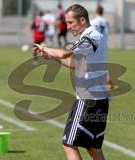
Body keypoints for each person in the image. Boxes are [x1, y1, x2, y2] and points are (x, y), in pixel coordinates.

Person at [34, 4, 109, 160]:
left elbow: (65, 53)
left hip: (87, 100)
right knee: (93, 147)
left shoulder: (90, 36)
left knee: (69, 144)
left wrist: (46, 49)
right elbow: (75, 63)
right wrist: (53, 56)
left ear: (82, 20)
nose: (68, 27)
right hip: (99, 100)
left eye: (70, 23)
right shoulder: (94, 37)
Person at [91, 5, 113, 90]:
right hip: (104, 45)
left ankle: (98, 82)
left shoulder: (93, 21)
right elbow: (107, 32)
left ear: (96, 11)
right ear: (102, 12)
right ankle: (107, 80)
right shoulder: (106, 22)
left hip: (96, 45)